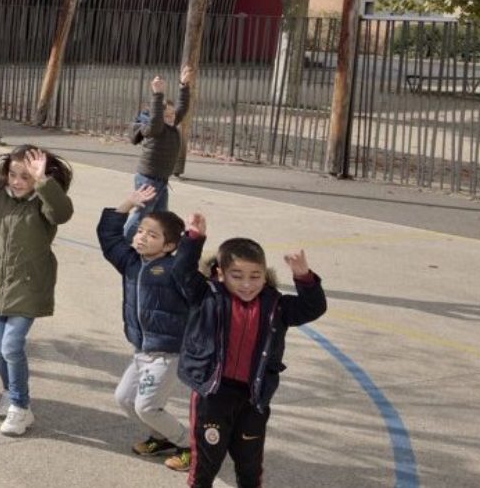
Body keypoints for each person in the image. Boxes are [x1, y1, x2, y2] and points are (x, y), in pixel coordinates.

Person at [168, 237, 328, 488]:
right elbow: (180, 272)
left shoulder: (276, 305)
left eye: (255, 276)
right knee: (206, 463)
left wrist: (303, 275)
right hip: (213, 395)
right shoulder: (206, 296)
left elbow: (313, 307)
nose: (246, 284)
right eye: (237, 275)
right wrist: (193, 238)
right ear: (220, 274)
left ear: (265, 275)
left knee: (250, 464)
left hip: (253, 397)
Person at [0, 128, 74, 436]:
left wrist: (44, 181)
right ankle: (9, 392)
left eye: (26, 176)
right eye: (13, 175)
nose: (18, 182)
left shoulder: (43, 203)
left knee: (11, 345)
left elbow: (62, 213)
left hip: (29, 286)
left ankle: (21, 407)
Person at [96, 187, 204, 460]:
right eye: (140, 231)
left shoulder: (174, 270)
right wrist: (128, 203)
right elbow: (109, 238)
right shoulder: (132, 263)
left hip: (167, 354)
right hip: (142, 351)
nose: (141, 237)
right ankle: (161, 437)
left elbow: (189, 270)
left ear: (169, 246)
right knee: (124, 399)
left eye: (152, 235)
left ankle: (188, 445)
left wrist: (193, 239)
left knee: (147, 406)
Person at [125, 70, 193, 239]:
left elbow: (182, 108)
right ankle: (122, 239)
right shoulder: (155, 129)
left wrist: (184, 85)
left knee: (161, 216)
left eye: (172, 115)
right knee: (143, 213)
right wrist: (157, 94)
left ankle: (158, 244)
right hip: (148, 179)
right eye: (167, 115)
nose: (171, 117)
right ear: (157, 117)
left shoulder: (170, 124)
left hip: (161, 180)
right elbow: (156, 119)